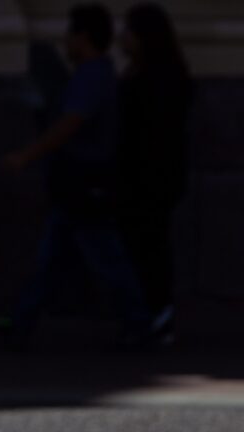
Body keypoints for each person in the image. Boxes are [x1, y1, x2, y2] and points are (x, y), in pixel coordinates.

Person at [2, 3, 150, 349]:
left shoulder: (91, 76)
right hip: (79, 183)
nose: (65, 42)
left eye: (70, 35)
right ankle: (22, 320)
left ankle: (139, 323)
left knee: (103, 256)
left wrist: (26, 155)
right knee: (55, 256)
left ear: (82, 37)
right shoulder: (97, 73)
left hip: (86, 183)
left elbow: (70, 124)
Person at [118, 2, 191, 344]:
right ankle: (151, 314)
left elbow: (151, 132)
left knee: (149, 248)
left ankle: (157, 316)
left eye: (129, 31)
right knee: (148, 246)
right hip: (153, 174)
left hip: (149, 176)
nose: (123, 38)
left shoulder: (155, 78)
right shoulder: (162, 73)